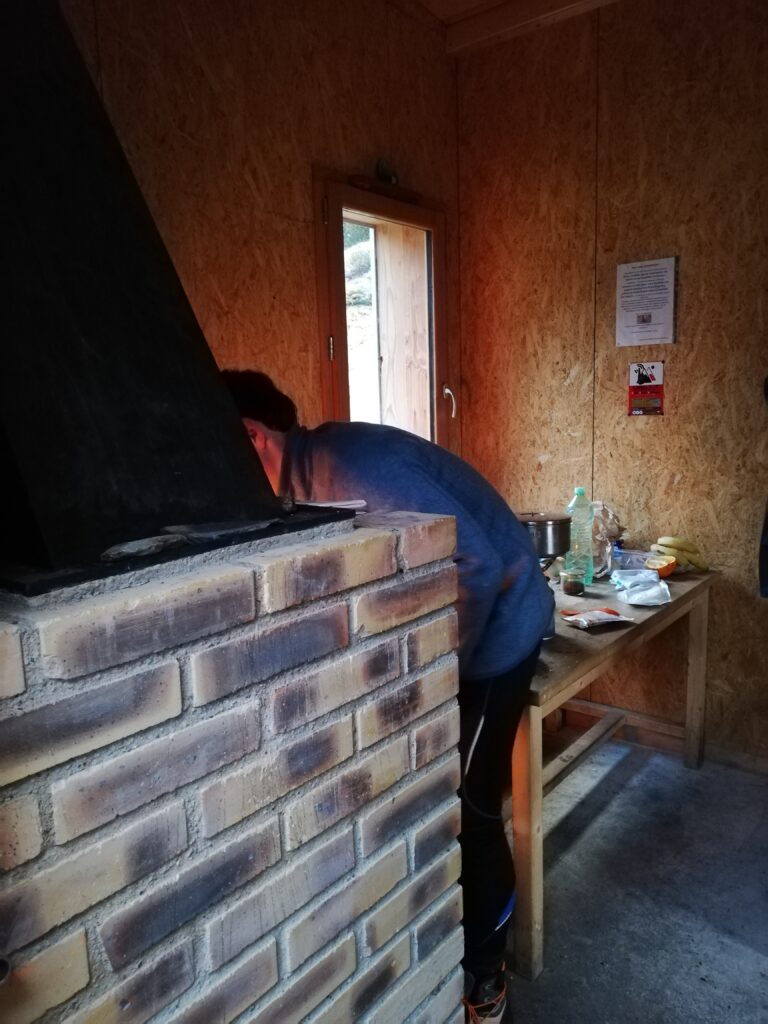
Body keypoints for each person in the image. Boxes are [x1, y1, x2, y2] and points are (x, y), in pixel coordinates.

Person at [223, 370, 554, 1024]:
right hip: (468, 635)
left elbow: (478, 566)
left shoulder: (354, 470)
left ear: (252, 436)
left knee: (472, 805)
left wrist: (441, 673)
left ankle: (488, 980)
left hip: (504, 628)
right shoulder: (305, 483)